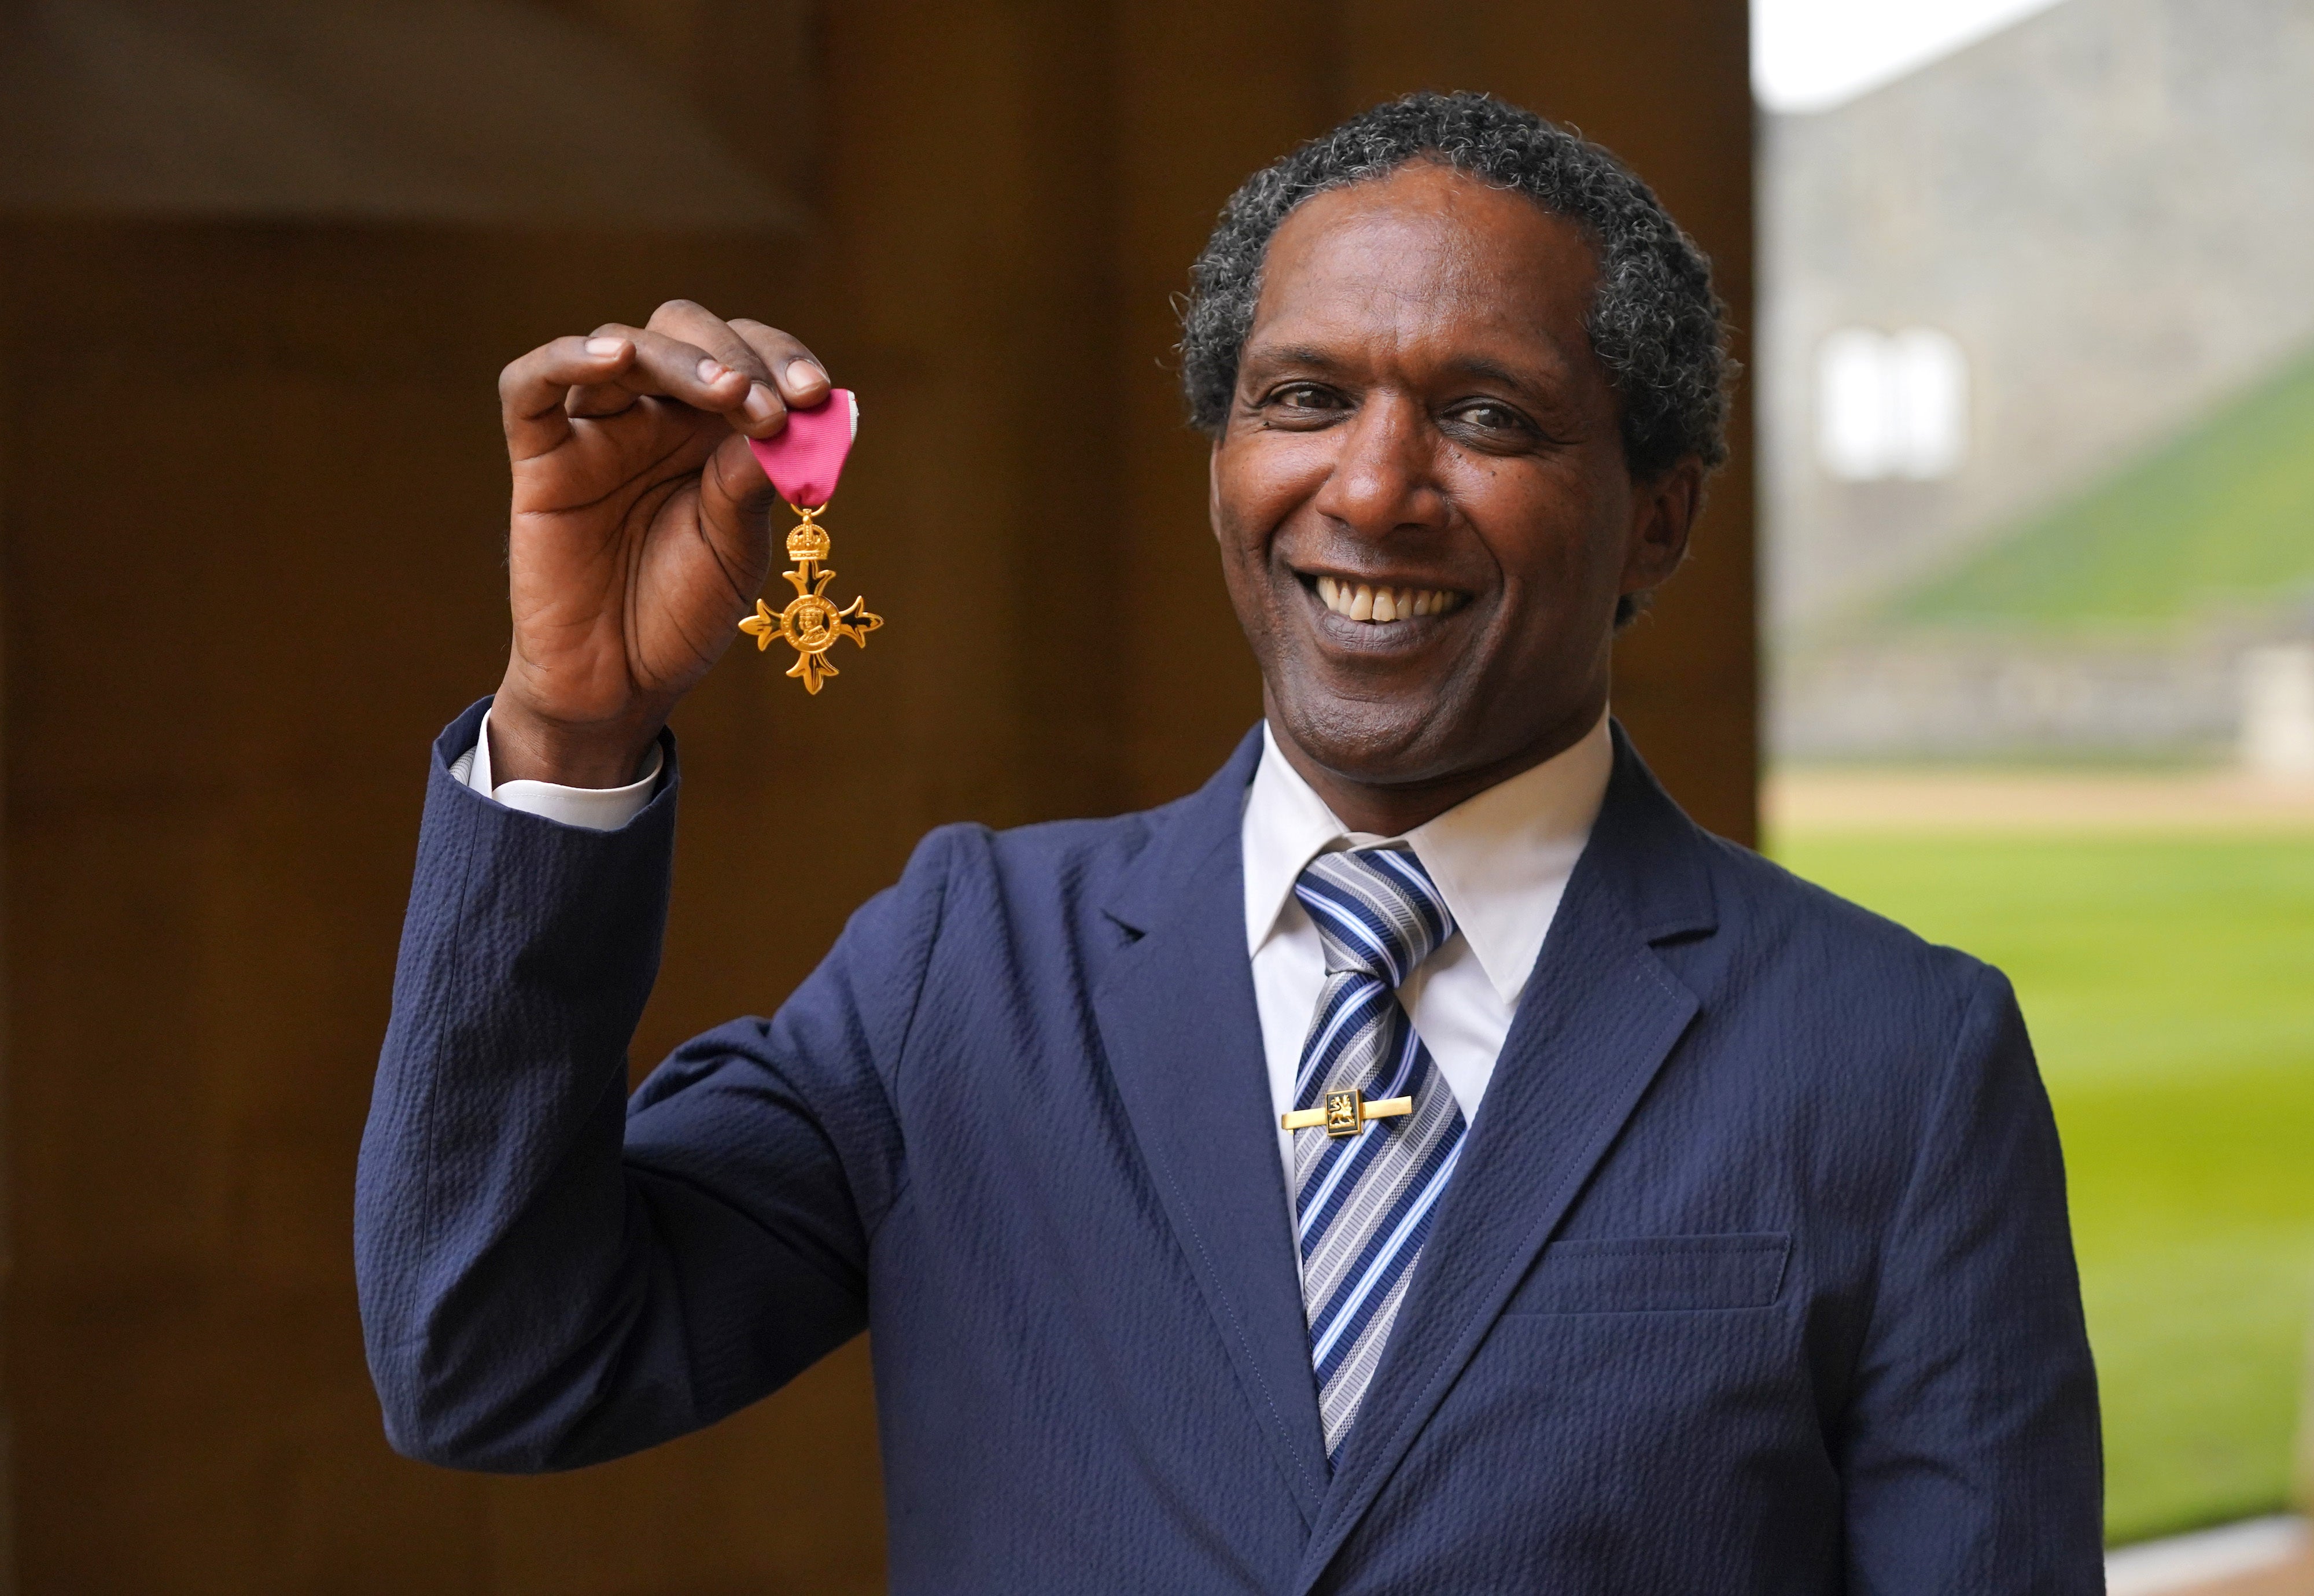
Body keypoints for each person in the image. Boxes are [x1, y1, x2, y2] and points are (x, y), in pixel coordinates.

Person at [357, 92, 2102, 1593]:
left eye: (1487, 415)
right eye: (1303, 397)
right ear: (1220, 460)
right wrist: (569, 728)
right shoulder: (966, 967)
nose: (1370, 487)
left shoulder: (1899, 1061)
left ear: (1659, 515)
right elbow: (492, 1363)